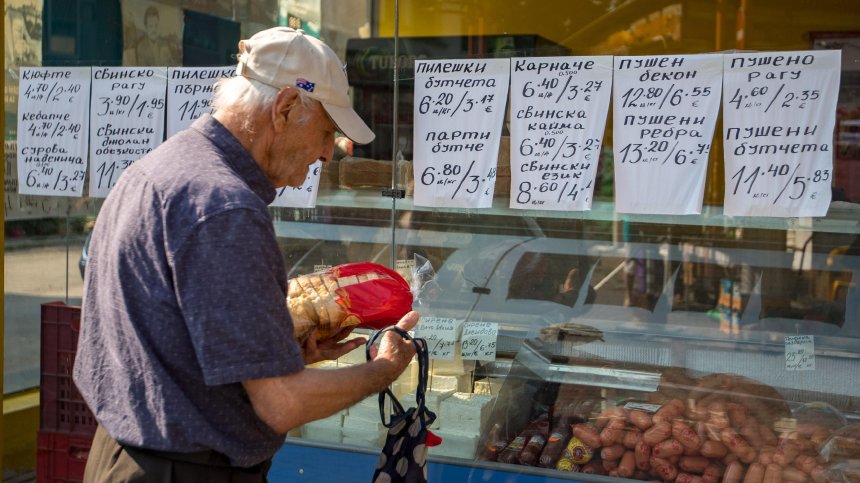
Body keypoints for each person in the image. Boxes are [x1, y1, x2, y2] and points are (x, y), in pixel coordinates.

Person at [74, 27, 419, 482]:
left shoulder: (160, 168)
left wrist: (273, 355)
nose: (326, 154)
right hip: (184, 471)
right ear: (285, 107)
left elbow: (170, 347)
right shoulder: (225, 208)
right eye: (326, 132)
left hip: (125, 454)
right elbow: (282, 403)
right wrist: (384, 369)